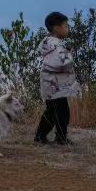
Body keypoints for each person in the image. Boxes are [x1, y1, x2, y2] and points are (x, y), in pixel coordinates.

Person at [35, 11, 79, 146]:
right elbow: (60, 63)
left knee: (52, 111)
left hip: (51, 84)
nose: (67, 29)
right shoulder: (57, 45)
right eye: (66, 26)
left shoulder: (50, 44)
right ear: (56, 28)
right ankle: (60, 137)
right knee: (61, 112)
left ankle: (41, 136)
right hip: (55, 85)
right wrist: (69, 55)